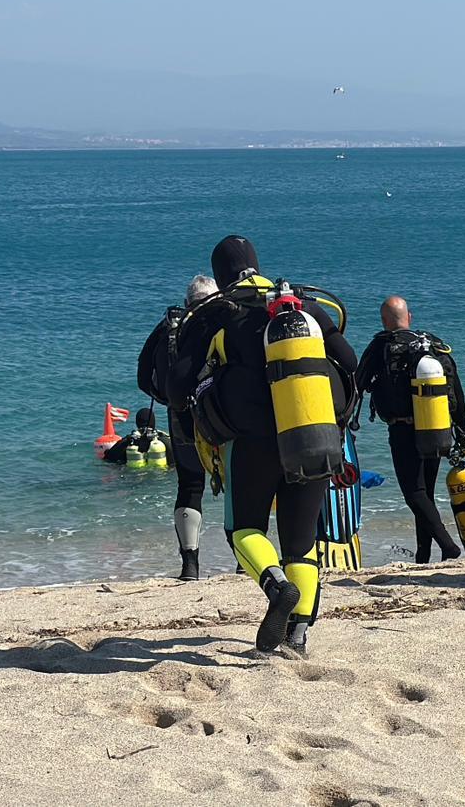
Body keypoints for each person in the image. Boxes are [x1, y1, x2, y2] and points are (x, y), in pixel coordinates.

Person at [166, 235, 357, 654]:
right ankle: (298, 637)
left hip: (251, 444)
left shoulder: (215, 313)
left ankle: (276, 587)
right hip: (312, 433)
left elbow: (177, 385)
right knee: (302, 543)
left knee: (244, 530)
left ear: (220, 275)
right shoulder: (302, 304)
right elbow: (350, 361)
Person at [355, 296, 464, 563]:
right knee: (425, 493)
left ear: (384, 321)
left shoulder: (381, 346)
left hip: (403, 429)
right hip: (436, 426)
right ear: (410, 317)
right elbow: (456, 391)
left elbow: (357, 384)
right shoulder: (434, 345)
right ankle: (424, 554)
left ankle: (448, 546)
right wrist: (460, 432)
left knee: (414, 494)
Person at [137, 274, 219, 581]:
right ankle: (244, 561)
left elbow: (144, 377)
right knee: (240, 484)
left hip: (182, 415)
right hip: (226, 415)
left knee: (190, 486)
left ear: (187, 303)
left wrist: (168, 398)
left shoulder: (169, 327)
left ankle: (190, 566)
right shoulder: (225, 318)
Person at [98, 406, 171, 465]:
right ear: (153, 422)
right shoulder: (164, 440)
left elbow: (108, 458)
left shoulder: (128, 441)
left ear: (137, 422)